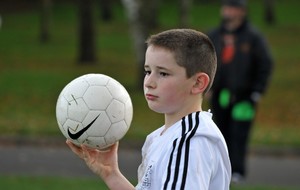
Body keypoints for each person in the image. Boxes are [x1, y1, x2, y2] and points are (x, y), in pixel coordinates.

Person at [66, 28, 231, 189]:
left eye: (163, 73)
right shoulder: (162, 136)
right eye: (147, 71)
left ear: (198, 83)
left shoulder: (190, 143)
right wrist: (111, 174)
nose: (149, 82)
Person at [207, 0, 273, 183]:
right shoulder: (214, 35)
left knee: (239, 134)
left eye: (233, 8)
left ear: (242, 12)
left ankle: (237, 172)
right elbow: (204, 62)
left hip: (244, 97)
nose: (229, 12)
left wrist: (257, 91)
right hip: (220, 94)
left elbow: (265, 64)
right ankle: (219, 172)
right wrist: (207, 87)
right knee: (219, 134)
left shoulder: (253, 38)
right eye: (226, 7)